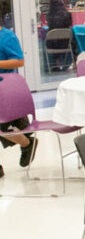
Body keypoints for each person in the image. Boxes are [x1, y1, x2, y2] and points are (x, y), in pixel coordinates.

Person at [0, 27, 36, 178]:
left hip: (4, 89)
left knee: (5, 129)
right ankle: (27, 143)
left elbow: (19, 61)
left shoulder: (7, 36)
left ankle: (27, 144)